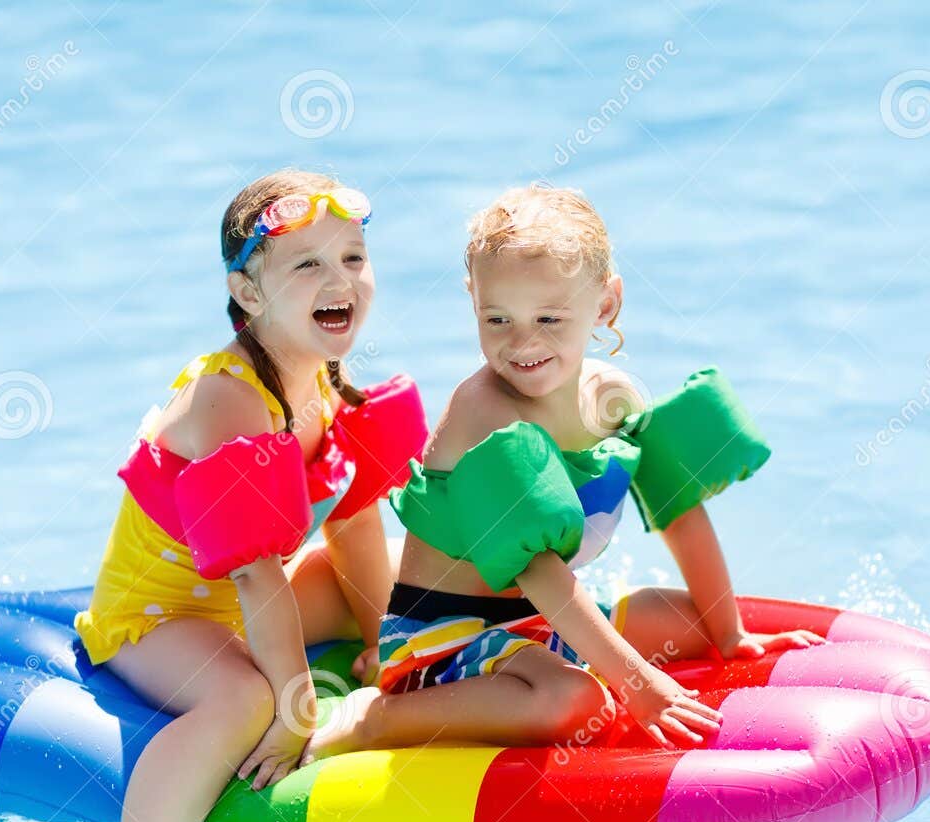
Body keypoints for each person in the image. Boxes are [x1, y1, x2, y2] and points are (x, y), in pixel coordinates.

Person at [306, 184, 822, 761]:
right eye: (496, 318)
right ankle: (377, 719)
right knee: (574, 701)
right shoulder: (485, 413)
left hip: (540, 626)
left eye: (550, 317)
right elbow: (536, 569)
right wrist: (639, 685)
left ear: (605, 304)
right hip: (447, 638)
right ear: (471, 297)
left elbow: (678, 509)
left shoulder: (615, 398)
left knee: (692, 622)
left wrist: (730, 635)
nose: (523, 343)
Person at [75, 169, 425, 822]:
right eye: (308, 265)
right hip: (158, 619)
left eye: (354, 258)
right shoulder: (231, 400)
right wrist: (295, 707)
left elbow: (355, 523)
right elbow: (256, 577)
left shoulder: (323, 381)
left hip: (248, 605)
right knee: (243, 699)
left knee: (405, 572)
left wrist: (390, 648)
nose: (342, 280)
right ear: (248, 293)